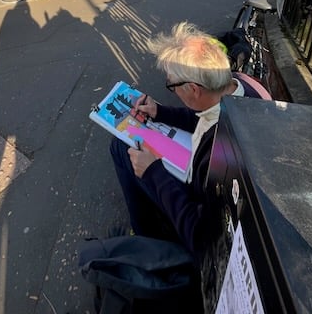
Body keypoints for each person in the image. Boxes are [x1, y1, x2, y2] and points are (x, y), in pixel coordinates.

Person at [110, 21, 266, 263]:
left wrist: (153, 172)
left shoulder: (221, 152)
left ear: (193, 89)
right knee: (129, 145)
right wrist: (160, 112)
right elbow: (201, 116)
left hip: (201, 222)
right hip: (211, 184)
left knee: (122, 147)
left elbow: (202, 239)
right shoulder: (238, 86)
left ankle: (150, 246)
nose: (171, 89)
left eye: (171, 85)